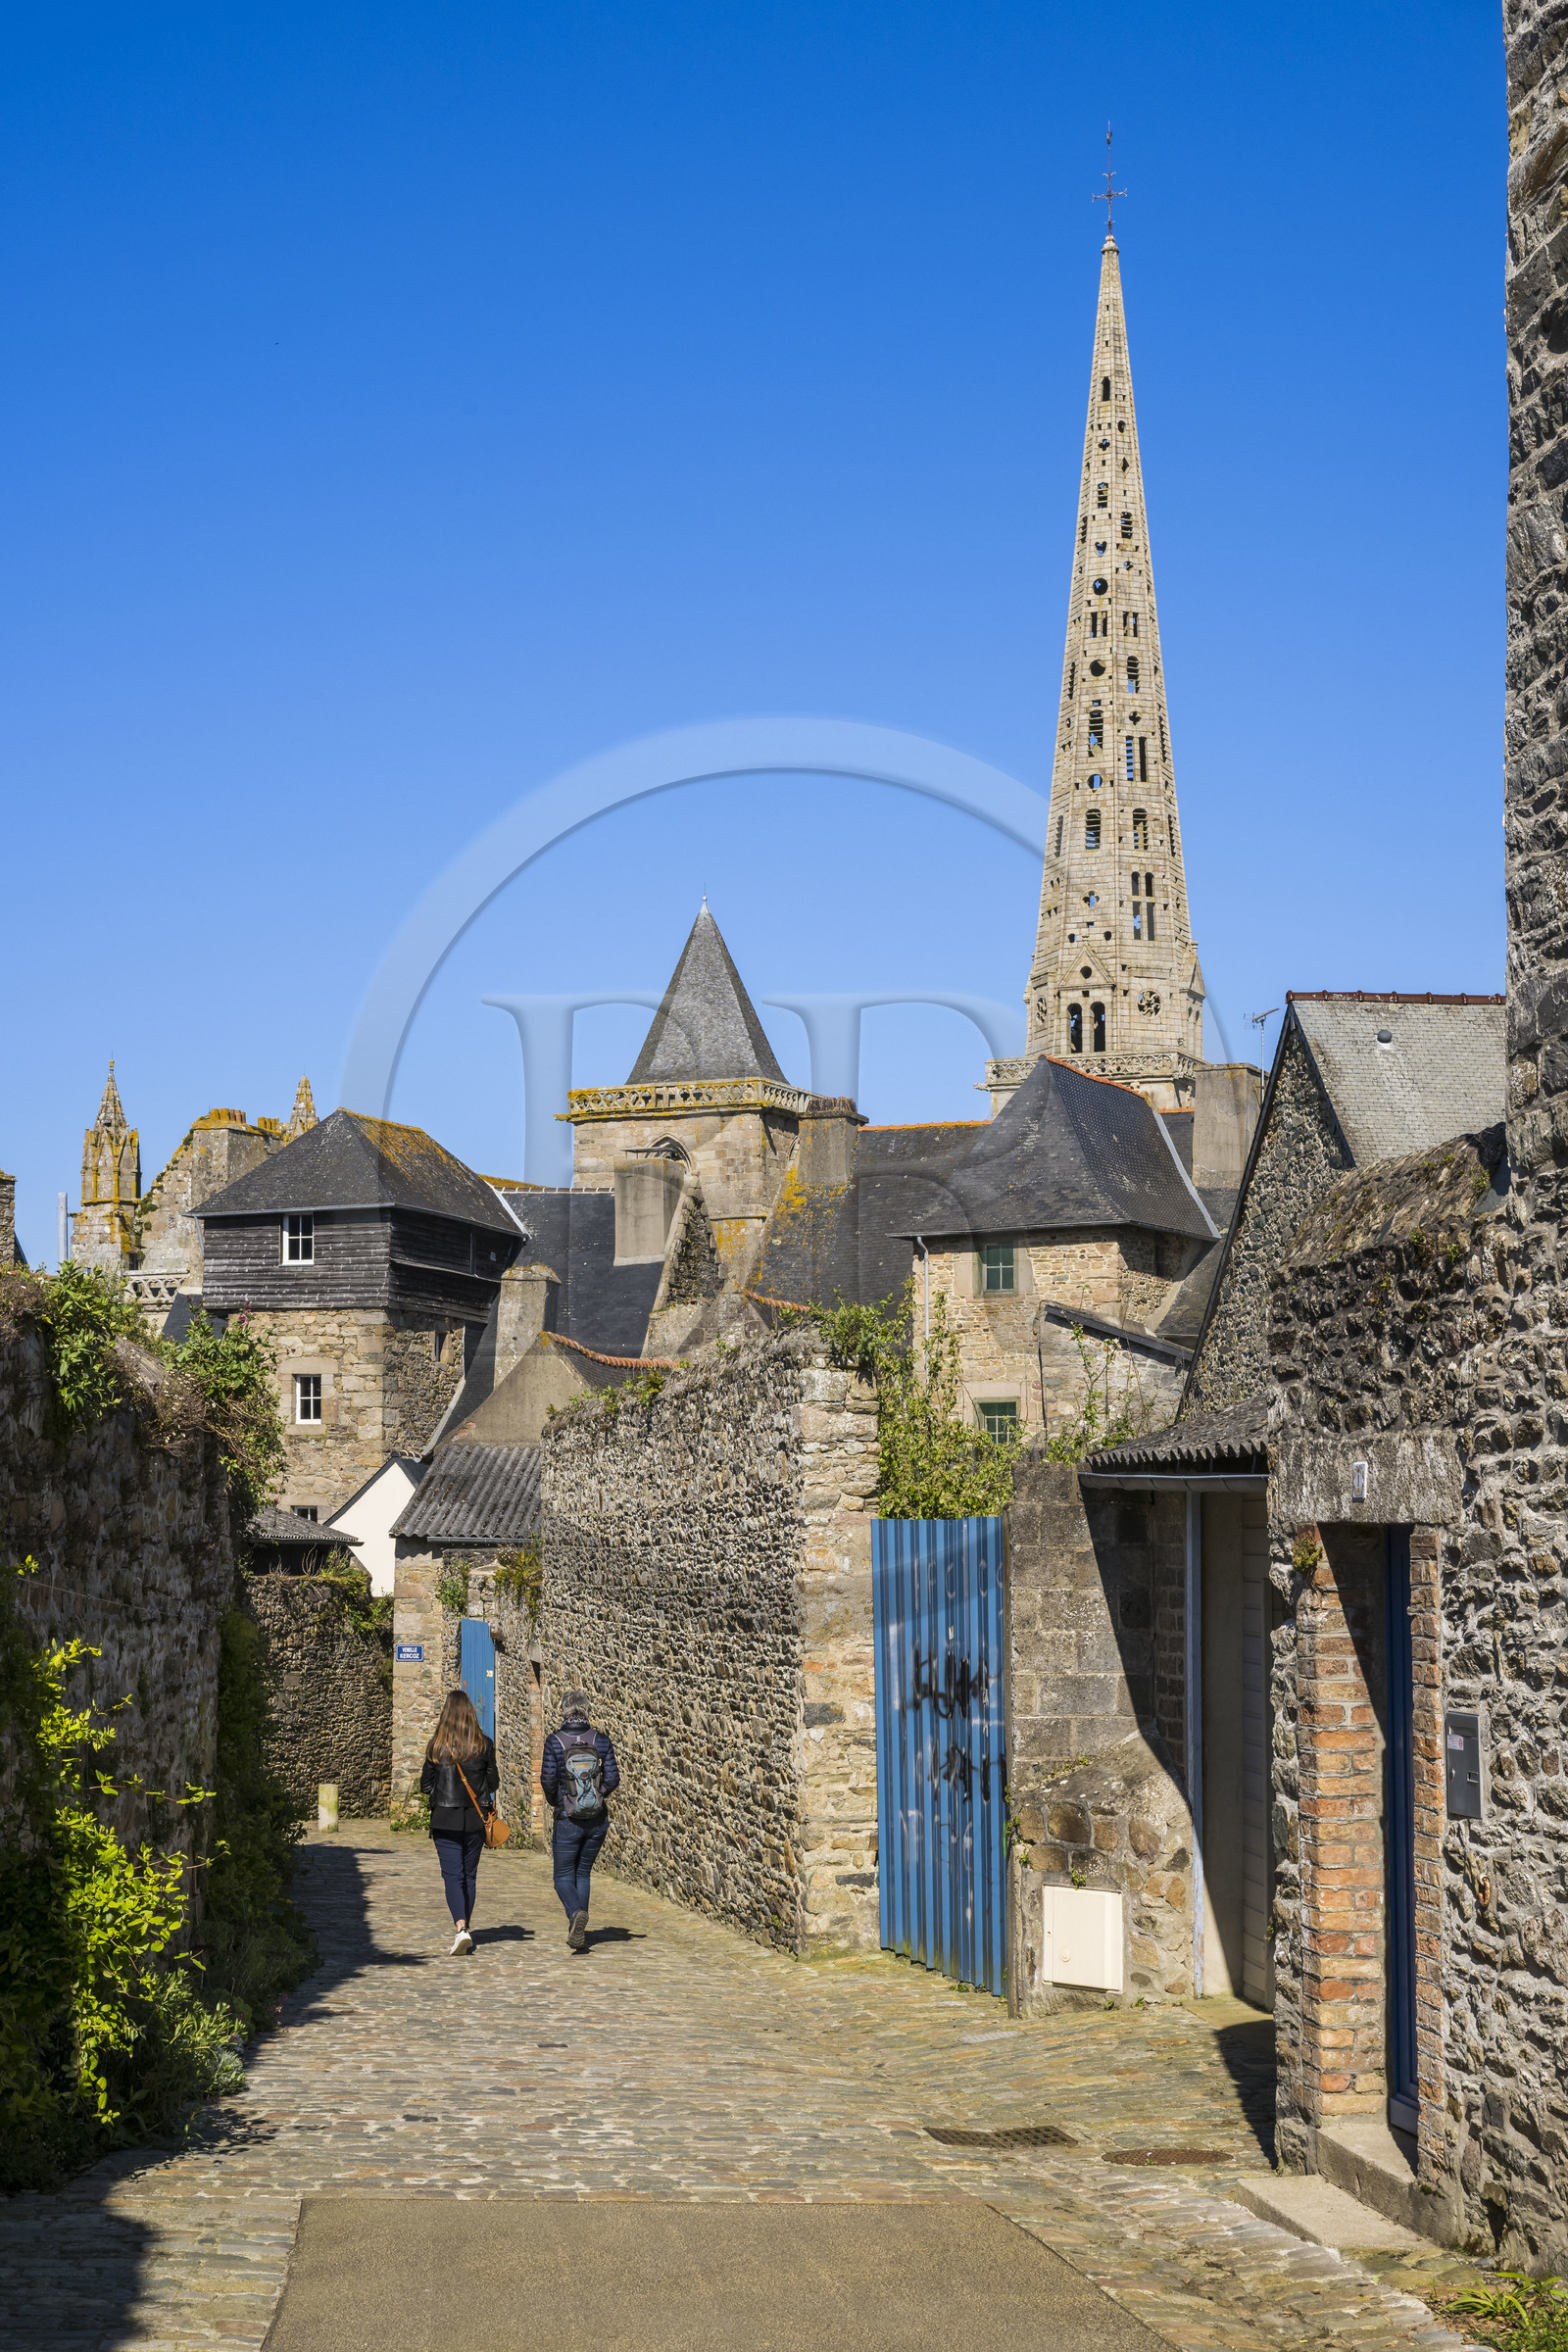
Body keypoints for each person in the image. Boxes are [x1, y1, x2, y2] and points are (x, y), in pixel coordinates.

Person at [419, 1687, 500, 1956]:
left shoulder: (436, 1746)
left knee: (452, 1876)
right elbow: (493, 1783)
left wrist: (440, 1789)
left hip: (445, 1818)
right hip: (476, 1820)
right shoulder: (484, 1744)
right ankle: (465, 1927)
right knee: (469, 1876)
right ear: (470, 1713)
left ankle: (461, 1928)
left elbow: (425, 1785)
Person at [540, 1689, 619, 1951]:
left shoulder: (555, 1741)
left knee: (562, 1877)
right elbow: (613, 1779)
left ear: (563, 1711)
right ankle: (579, 1930)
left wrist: (560, 1803)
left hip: (567, 1820)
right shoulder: (601, 1739)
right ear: (586, 1710)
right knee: (582, 1873)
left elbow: (548, 1780)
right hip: (597, 1820)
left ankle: (576, 1916)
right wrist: (597, 1796)